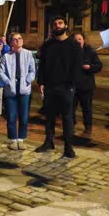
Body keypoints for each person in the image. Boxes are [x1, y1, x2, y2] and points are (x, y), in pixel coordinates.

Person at [35, 15, 82, 158]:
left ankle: (68, 146)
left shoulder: (73, 45)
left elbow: (76, 66)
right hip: (50, 87)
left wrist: (72, 85)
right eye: (55, 24)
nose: (57, 26)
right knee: (49, 116)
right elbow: (42, 65)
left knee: (67, 117)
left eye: (60, 23)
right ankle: (49, 141)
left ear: (66, 25)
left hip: (66, 88)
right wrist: (41, 82)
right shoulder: (47, 45)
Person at [0, 33, 36, 150]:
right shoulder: (6, 56)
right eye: (15, 39)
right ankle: (13, 139)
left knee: (24, 116)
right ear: (11, 43)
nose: (18, 41)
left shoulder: (28, 54)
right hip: (11, 88)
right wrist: (8, 81)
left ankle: (21, 139)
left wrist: (28, 80)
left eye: (19, 38)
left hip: (24, 88)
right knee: (11, 116)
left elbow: (32, 70)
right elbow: (1, 72)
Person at [72, 32, 102, 134]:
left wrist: (90, 67)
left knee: (87, 108)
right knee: (70, 108)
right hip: (73, 86)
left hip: (86, 86)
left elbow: (99, 65)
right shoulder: (70, 52)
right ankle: (71, 125)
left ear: (83, 40)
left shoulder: (90, 51)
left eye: (79, 39)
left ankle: (88, 126)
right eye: (75, 40)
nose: (77, 41)